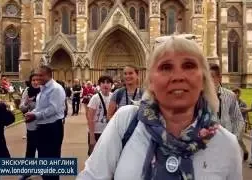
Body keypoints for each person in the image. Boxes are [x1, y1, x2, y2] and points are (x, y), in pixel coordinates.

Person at [77, 36, 242, 180]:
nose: (178, 76)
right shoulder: (125, 122)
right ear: (151, 82)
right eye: (166, 67)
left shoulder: (227, 144)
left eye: (189, 66)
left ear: (204, 80)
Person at [24, 65, 66, 180]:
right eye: (37, 75)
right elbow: (41, 107)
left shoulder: (55, 89)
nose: (37, 78)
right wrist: (33, 113)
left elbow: (53, 109)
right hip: (42, 127)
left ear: (48, 75)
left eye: (40, 75)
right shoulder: (44, 88)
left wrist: (35, 115)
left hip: (52, 128)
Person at [19, 73, 40, 180]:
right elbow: (22, 108)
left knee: (43, 149)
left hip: (44, 125)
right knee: (30, 149)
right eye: (33, 80)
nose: (36, 82)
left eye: (37, 80)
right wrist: (26, 103)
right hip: (32, 125)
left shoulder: (45, 91)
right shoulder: (27, 91)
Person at [87, 75, 113, 156]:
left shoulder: (113, 97)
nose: (105, 85)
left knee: (105, 156)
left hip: (108, 131)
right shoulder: (95, 98)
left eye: (108, 82)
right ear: (99, 85)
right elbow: (90, 118)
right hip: (96, 132)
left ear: (111, 85)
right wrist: (92, 136)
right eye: (103, 82)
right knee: (94, 157)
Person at [232, 87, 249, 161]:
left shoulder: (243, 103)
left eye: (237, 92)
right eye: (234, 92)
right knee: (232, 139)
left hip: (241, 123)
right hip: (231, 123)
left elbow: (246, 113)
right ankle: (233, 156)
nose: (236, 94)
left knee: (238, 139)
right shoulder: (230, 102)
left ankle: (245, 151)